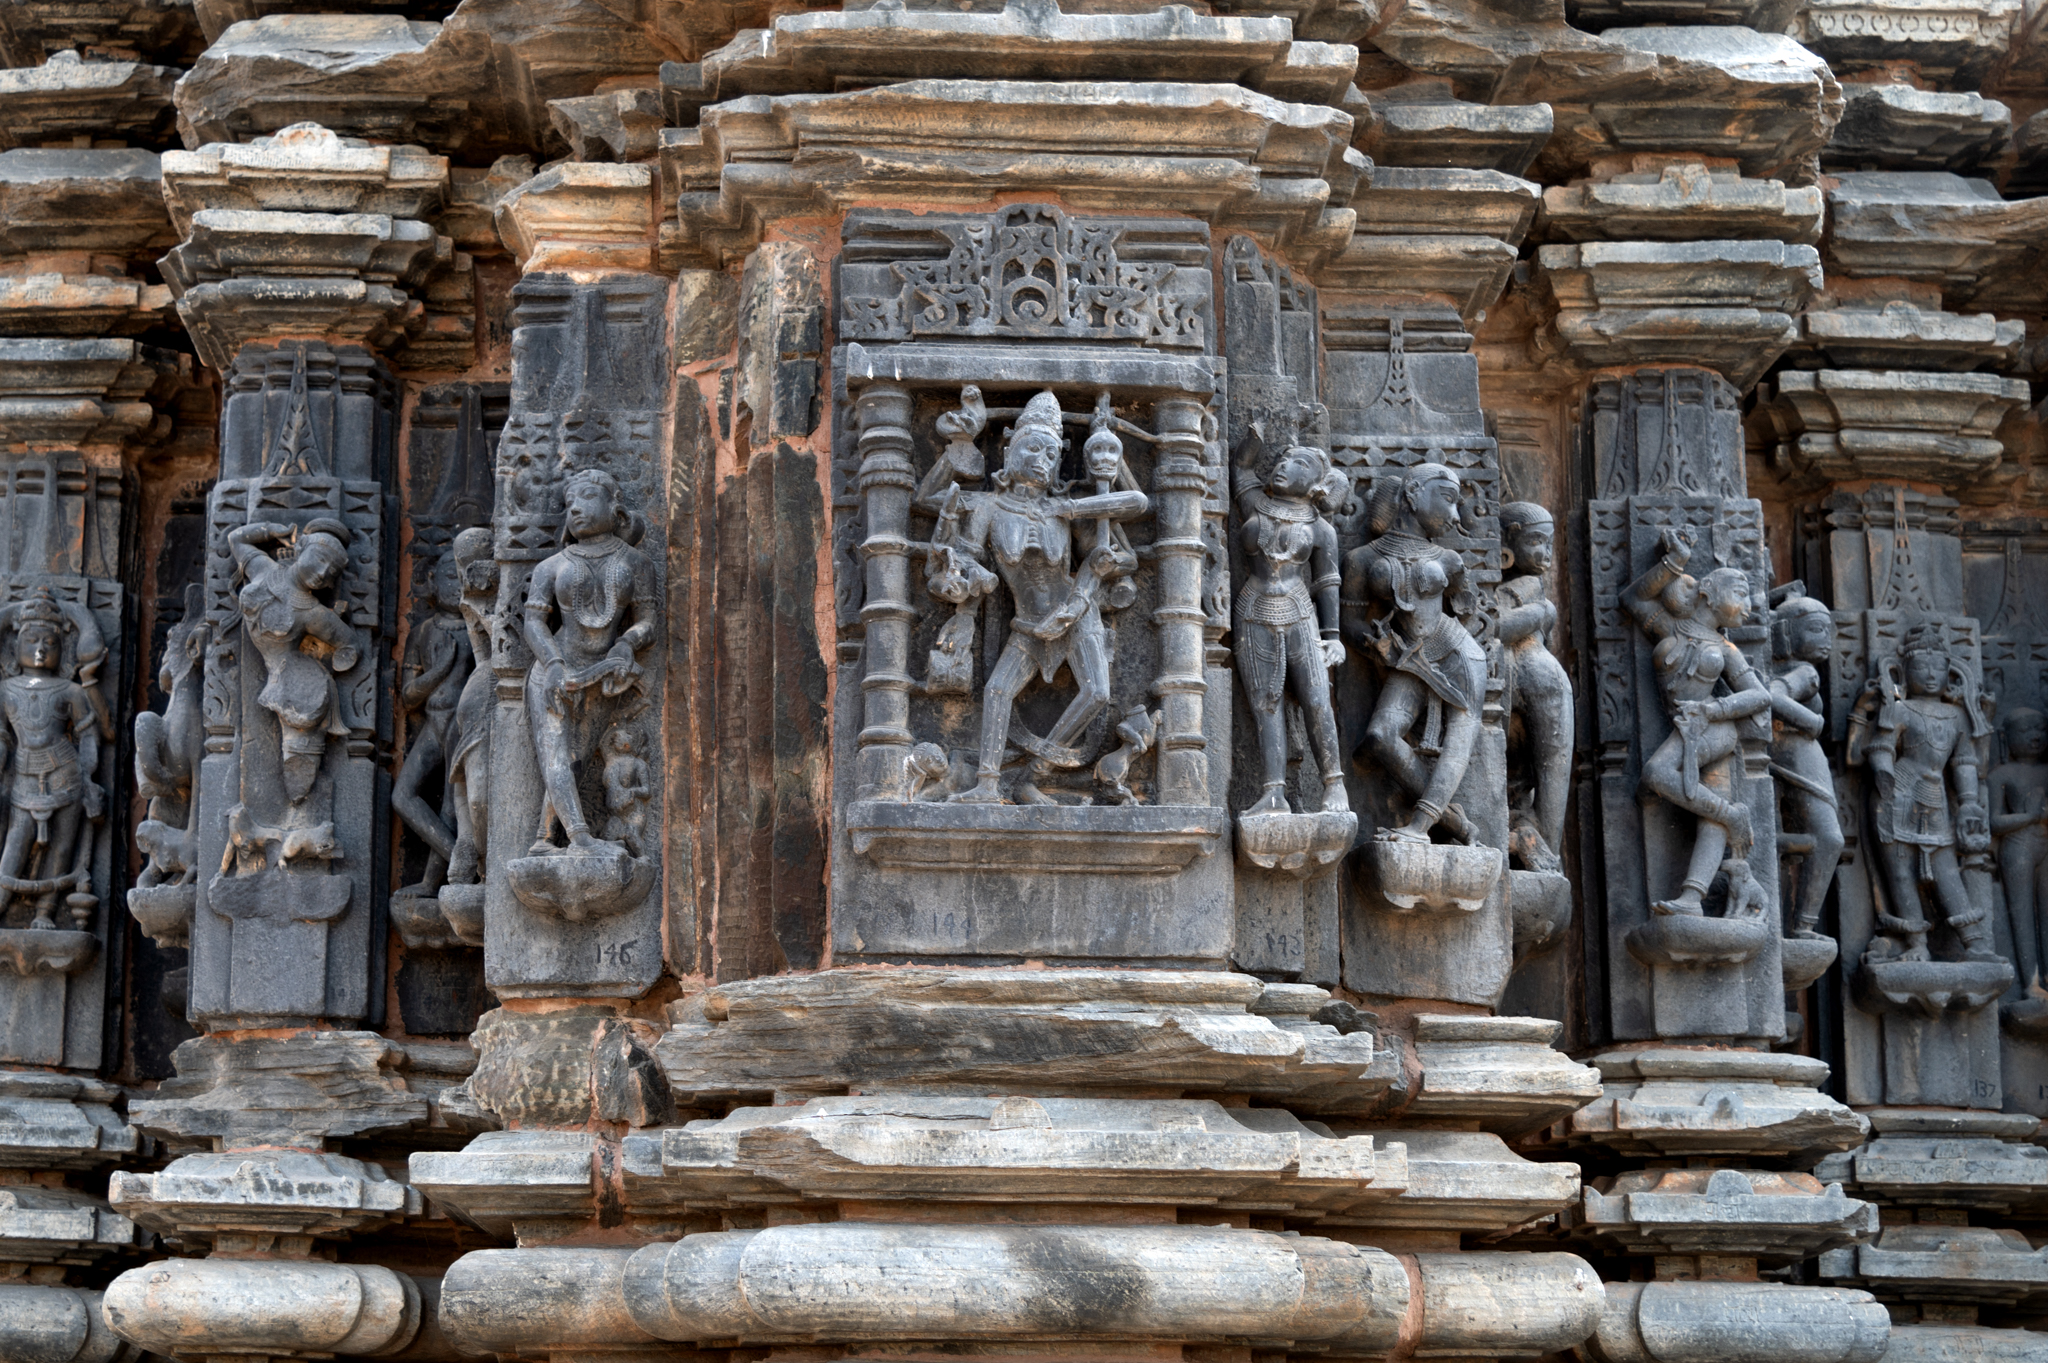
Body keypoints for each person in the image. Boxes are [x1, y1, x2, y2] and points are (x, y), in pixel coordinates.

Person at [940, 391, 1147, 806]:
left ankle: (1033, 777)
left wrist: (1088, 564)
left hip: (1077, 613)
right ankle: (986, 785)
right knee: (998, 691)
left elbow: (1132, 518)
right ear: (1010, 453)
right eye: (1032, 448)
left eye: (1052, 455)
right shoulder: (989, 507)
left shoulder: (1063, 509)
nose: (1042, 460)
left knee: (1097, 694)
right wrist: (975, 572)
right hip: (1029, 624)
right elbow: (963, 555)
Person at [1623, 525, 1771, 916]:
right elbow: (1632, 598)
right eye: (1740, 594)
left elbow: (1759, 695)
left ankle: (1727, 820)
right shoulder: (1669, 627)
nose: (1748, 604)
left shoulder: (1726, 648)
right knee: (1714, 813)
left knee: (1656, 772)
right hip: (1685, 726)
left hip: (1714, 728)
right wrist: (1675, 563)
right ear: (1707, 590)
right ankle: (1692, 898)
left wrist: (1713, 710)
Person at [1343, 462, 1486, 843]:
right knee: (1380, 736)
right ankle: (1458, 825)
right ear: (1412, 493)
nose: (1455, 516)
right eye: (1448, 499)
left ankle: (1420, 827)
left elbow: (1468, 611)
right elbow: (1349, 622)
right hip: (1408, 660)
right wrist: (1376, 648)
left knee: (1459, 737)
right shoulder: (1363, 559)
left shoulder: (1449, 560)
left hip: (1457, 655)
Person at [523, 468, 657, 854]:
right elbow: (534, 623)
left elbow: (647, 621)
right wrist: (552, 665)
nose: (575, 509)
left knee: (577, 759)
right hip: (555, 668)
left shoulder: (636, 563)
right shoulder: (551, 567)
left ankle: (544, 839)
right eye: (569, 504)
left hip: (604, 675)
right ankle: (580, 838)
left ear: (614, 508)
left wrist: (626, 645)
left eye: (585, 497)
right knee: (556, 753)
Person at [1855, 620, 1999, 962]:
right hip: (1896, 795)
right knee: (1900, 870)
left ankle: (1975, 944)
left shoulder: (1956, 716)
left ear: (1951, 673)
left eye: (1939, 667)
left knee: (1947, 870)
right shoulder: (1901, 709)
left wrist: (1967, 803)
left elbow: (1964, 762)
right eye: (1921, 666)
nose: (1931, 674)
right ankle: (1916, 944)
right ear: (1904, 672)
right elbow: (1881, 746)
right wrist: (1883, 773)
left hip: (1935, 799)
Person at [1235, 443, 1347, 816]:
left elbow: (1327, 582)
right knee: (1266, 702)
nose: (1284, 465)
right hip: (1253, 608)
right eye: (1282, 459)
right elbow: (1242, 471)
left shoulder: (1320, 528)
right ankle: (1273, 793)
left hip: (1300, 611)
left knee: (1317, 699)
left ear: (1317, 483)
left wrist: (1332, 637)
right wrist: (1252, 441)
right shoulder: (1255, 507)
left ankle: (1334, 785)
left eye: (1298, 463)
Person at [228, 518, 358, 806]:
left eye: (332, 572)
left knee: (298, 780)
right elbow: (236, 539)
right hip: (273, 674)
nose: (324, 573)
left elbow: (349, 644)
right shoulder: (264, 569)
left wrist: (327, 655)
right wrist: (273, 530)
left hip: (300, 687)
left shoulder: (311, 611)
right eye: (321, 559)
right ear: (301, 549)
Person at [0, 590, 108, 929]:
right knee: (16, 843)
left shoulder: (71, 691)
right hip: (24, 777)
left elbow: (91, 735)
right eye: (31, 640)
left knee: (62, 849)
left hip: (66, 775)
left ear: (64, 650)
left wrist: (89, 777)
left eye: (50, 642)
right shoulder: (5, 690)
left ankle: (44, 913)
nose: (40, 649)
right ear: (14, 646)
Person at [1497, 502, 1572, 868]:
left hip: (1539, 682)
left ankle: (1543, 840)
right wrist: (1540, 613)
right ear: (1507, 543)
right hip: (1531, 681)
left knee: (1545, 772)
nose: (1545, 554)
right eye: (1535, 542)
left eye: (1549, 544)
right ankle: (1546, 844)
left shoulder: (1532, 588)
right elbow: (1493, 629)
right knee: (1548, 769)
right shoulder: (1526, 591)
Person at [393, 550, 472, 893]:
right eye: (449, 577)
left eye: (462, 577)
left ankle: (431, 882)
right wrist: (437, 672)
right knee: (402, 796)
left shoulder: (476, 629)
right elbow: (408, 697)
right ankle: (461, 859)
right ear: (432, 584)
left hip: (464, 721)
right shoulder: (423, 632)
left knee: (451, 806)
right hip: (433, 721)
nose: (456, 585)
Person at [1769, 587, 1843, 940]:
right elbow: (1772, 695)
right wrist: (1811, 722)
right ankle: (1803, 925)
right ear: (1786, 632)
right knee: (1829, 839)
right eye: (1815, 629)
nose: (1825, 639)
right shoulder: (1806, 673)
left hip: (1780, 751)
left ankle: (1788, 921)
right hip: (1798, 751)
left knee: (1774, 836)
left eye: (1827, 630)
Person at [1988, 707, 2048, 984]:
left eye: (2040, 730)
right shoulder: (2001, 774)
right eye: (2025, 731)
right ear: (2006, 737)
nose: (2035, 737)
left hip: (2043, 844)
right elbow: (1994, 822)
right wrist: (2030, 817)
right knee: (2021, 915)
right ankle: (2030, 984)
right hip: (2017, 846)